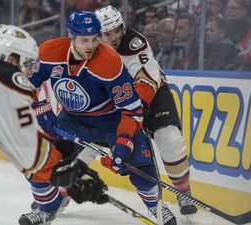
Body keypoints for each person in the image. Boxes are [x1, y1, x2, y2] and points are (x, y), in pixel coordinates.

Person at [27, 10, 177, 225]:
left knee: (141, 166)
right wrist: (40, 107)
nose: (91, 45)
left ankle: (156, 207)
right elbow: (23, 84)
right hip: (71, 120)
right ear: (71, 37)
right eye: (84, 40)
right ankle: (47, 208)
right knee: (42, 157)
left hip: (111, 121)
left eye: (95, 39)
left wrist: (123, 144)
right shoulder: (49, 52)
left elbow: (132, 110)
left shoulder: (109, 61)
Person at [0, 24, 108, 225]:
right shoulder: (5, 81)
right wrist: (70, 176)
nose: (28, 71)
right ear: (11, 59)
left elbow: (16, 144)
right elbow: (30, 152)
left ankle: (48, 206)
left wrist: (54, 154)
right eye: (27, 63)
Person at [95, 5, 197, 215]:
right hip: (116, 100)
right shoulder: (89, 48)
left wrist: (134, 112)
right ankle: (59, 196)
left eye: (117, 30)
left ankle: (184, 193)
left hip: (152, 95)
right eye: (108, 33)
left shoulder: (134, 43)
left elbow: (146, 81)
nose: (114, 37)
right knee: (83, 146)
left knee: (170, 139)